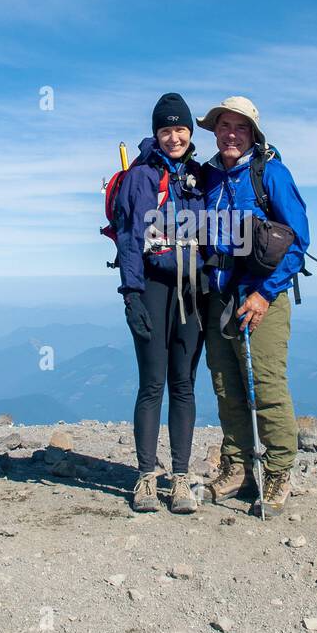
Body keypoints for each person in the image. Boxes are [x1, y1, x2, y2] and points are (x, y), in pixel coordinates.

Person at [197, 96, 310, 518]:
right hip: (219, 294)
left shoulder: (271, 175)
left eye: (239, 128)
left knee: (265, 385)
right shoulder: (207, 178)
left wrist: (265, 293)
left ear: (252, 135)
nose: (230, 133)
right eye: (224, 126)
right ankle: (238, 467)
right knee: (226, 386)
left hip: (262, 296)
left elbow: (298, 241)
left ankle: (279, 471)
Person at [112, 93, 206, 514]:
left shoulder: (201, 176)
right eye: (165, 130)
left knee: (183, 384)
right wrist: (132, 295)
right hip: (151, 285)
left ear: (189, 132)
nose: (173, 137)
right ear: (156, 133)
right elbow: (131, 239)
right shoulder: (138, 178)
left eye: (180, 129)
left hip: (192, 290)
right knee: (152, 384)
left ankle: (181, 478)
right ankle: (147, 476)